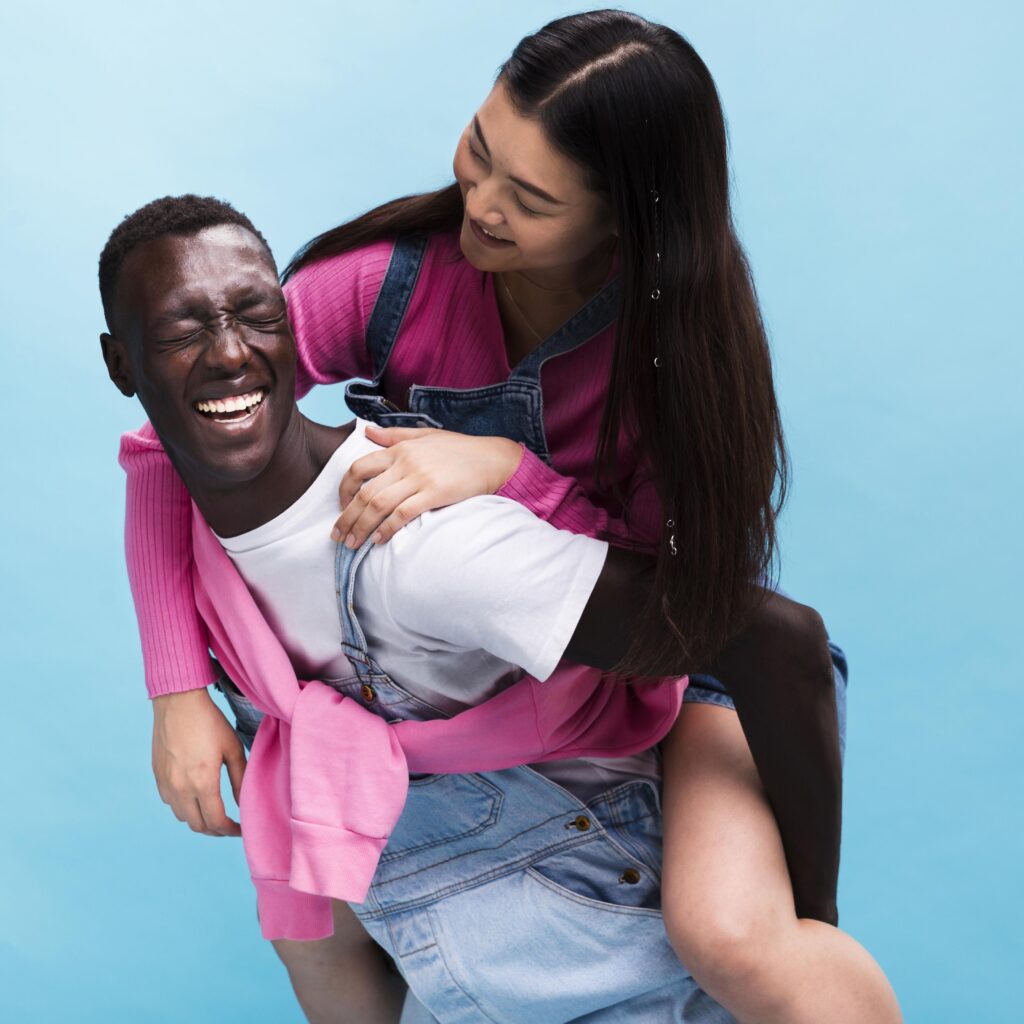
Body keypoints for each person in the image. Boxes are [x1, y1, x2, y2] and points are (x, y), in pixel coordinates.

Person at [113, 11, 901, 1023]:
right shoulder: (394, 280)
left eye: (528, 199)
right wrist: (175, 687)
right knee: (308, 892)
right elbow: (172, 429)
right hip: (520, 685)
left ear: (626, 221)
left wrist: (508, 471)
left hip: (677, 656)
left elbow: (689, 608)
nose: (478, 205)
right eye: (479, 150)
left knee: (729, 935)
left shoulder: (674, 362)